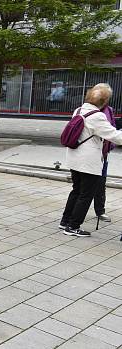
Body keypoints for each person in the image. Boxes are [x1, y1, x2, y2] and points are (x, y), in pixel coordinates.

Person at [60, 83, 122, 237]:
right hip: (88, 162)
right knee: (86, 194)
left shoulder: (79, 110)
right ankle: (73, 227)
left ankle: (65, 221)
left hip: (74, 158)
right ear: (104, 101)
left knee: (76, 190)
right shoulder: (97, 116)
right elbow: (115, 136)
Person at [93, 98, 116, 223]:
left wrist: (109, 147)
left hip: (103, 154)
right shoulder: (89, 110)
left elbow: (112, 128)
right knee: (84, 185)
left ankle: (100, 211)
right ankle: (75, 213)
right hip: (90, 153)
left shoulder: (109, 110)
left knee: (101, 184)